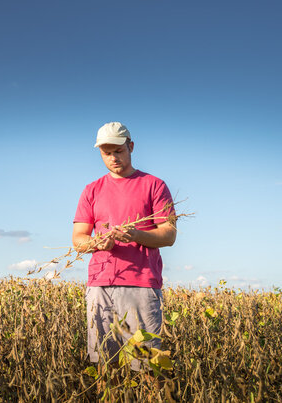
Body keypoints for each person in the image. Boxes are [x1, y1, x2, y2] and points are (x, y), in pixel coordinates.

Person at [72, 121, 176, 370]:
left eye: (118, 151)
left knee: (148, 366)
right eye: (106, 153)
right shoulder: (91, 190)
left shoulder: (155, 185)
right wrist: (98, 244)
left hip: (140, 284)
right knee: (105, 368)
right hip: (100, 285)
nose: (113, 158)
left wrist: (137, 235)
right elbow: (78, 239)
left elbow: (169, 235)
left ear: (130, 146)